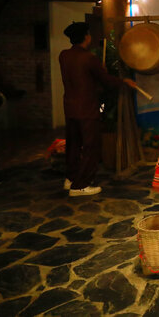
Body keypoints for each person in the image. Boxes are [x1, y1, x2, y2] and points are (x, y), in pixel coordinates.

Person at [59, 22, 136, 197]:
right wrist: (124, 82)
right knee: (90, 146)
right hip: (87, 108)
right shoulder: (88, 58)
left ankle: (70, 179)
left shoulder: (63, 55)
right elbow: (106, 81)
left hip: (70, 107)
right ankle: (81, 185)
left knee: (73, 144)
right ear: (86, 37)